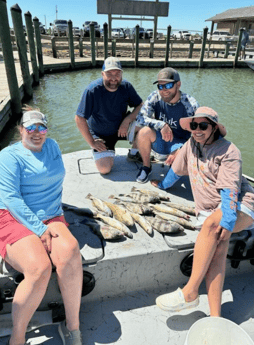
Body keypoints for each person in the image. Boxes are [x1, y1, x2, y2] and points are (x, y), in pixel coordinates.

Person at [151, 106, 254, 317]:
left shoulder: (229, 151)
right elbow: (176, 171)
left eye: (203, 125)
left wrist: (227, 221)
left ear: (214, 128)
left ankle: (190, 292)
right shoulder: (190, 145)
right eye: (194, 125)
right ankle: (216, 317)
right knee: (217, 251)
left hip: (240, 204)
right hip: (211, 211)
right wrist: (162, 186)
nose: (197, 130)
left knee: (213, 225)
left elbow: (230, 191)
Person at [0, 108, 83, 345]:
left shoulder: (53, 146)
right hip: (12, 215)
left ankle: (72, 328)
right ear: (20, 129)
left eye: (41, 128)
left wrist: (54, 218)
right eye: (31, 128)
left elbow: (54, 182)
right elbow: (11, 199)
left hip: (51, 215)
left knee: (70, 251)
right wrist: (39, 230)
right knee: (39, 268)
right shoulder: (8, 155)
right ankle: (17, 337)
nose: (36, 133)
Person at [75, 57, 143, 174]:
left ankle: (134, 154)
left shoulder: (126, 86)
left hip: (122, 128)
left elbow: (140, 105)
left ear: (121, 74)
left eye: (117, 73)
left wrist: (127, 120)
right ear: (102, 74)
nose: (113, 78)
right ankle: (104, 153)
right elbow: (79, 118)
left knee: (147, 128)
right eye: (109, 73)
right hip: (101, 134)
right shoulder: (92, 90)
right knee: (104, 169)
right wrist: (92, 142)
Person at [135, 67, 199, 183]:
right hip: (160, 140)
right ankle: (146, 167)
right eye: (160, 86)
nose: (164, 90)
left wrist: (181, 149)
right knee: (143, 132)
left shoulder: (190, 104)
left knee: (177, 171)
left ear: (178, 85)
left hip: (180, 144)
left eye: (168, 85)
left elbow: (200, 134)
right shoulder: (155, 97)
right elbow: (140, 118)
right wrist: (161, 124)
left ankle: (175, 166)